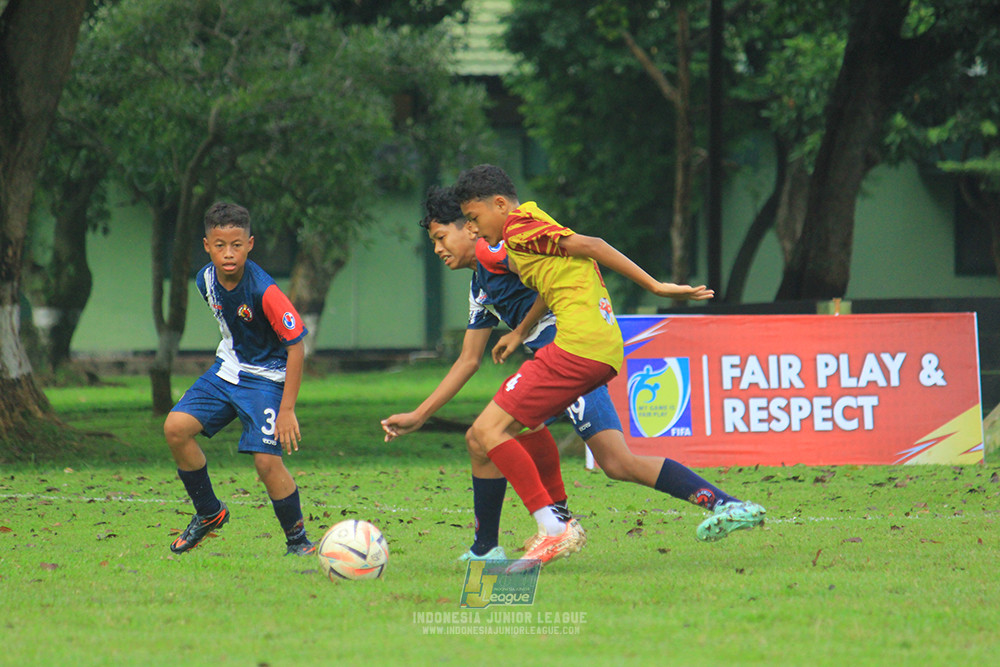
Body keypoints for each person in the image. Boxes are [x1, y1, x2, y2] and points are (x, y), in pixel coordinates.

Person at [381, 186, 765, 564]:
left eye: (442, 236)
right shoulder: (481, 284)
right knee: (614, 461)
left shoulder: (498, 245)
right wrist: (514, 335)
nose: (438, 249)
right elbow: (468, 359)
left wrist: (654, 285)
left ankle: (543, 529)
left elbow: (572, 254)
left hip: (567, 352)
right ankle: (728, 505)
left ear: (469, 225)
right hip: (569, 355)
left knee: (486, 435)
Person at [163, 202, 316, 556]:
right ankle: (209, 512)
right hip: (227, 369)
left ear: (250, 244)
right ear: (207, 245)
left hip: (267, 378)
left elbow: (296, 348)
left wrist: (287, 409)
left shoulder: (267, 293)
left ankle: (298, 541)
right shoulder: (205, 279)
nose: (228, 253)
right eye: (220, 245)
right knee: (175, 428)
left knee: (266, 462)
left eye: (236, 245)